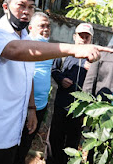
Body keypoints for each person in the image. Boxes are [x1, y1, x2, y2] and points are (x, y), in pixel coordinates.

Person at [0, 0, 113, 164]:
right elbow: (14, 51)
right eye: (21, 6)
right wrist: (72, 49)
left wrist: (31, 109)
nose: (26, 11)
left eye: (31, 7)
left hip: (14, 128)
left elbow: (27, 78)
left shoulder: (25, 38)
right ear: (5, 6)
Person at [45, 23, 95, 164]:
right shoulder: (64, 53)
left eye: (87, 37)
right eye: (80, 36)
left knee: (73, 141)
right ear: (74, 37)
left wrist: (92, 69)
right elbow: (54, 69)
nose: (83, 39)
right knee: (55, 137)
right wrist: (61, 79)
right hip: (62, 103)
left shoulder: (94, 58)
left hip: (80, 109)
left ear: (91, 39)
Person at [14, 12, 53, 164]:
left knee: (25, 144)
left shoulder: (49, 47)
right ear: (30, 27)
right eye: (41, 26)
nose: (46, 29)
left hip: (41, 105)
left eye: (48, 26)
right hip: (25, 105)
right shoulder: (26, 44)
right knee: (16, 145)